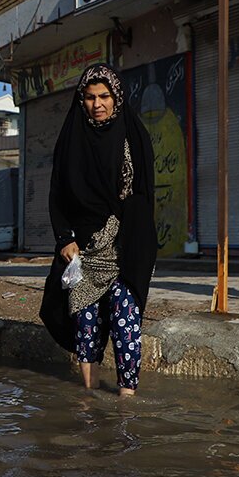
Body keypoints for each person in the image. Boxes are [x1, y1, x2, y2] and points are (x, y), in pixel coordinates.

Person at [39, 64, 157, 396]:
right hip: (83, 247)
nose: (97, 104)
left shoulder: (133, 134)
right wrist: (65, 238)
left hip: (126, 244)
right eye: (90, 97)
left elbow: (144, 195)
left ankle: (126, 399)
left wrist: (130, 239)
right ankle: (88, 396)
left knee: (125, 321)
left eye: (104, 96)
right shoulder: (71, 138)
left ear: (116, 98)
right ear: (82, 100)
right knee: (85, 323)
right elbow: (57, 193)